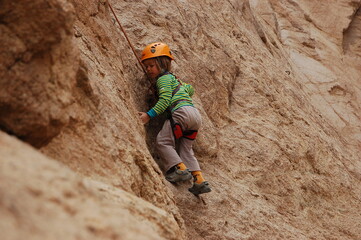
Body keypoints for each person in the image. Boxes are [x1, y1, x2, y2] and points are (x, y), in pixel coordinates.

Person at [138, 42, 211, 195]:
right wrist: (180, 89)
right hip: (194, 115)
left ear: (162, 63)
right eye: (146, 66)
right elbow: (190, 88)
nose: (148, 69)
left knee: (163, 142)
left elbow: (164, 101)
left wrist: (148, 115)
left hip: (181, 112)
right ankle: (199, 180)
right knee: (186, 149)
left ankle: (180, 170)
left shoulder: (162, 79)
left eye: (151, 65)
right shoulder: (175, 80)